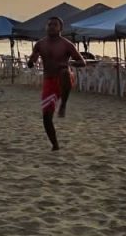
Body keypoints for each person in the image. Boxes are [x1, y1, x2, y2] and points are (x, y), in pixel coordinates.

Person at [27, 17, 86, 150]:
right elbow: (31, 63)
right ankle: (55, 145)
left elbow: (82, 62)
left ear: (61, 28)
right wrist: (31, 61)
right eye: (49, 24)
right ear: (46, 27)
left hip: (64, 79)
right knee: (46, 117)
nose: (52, 27)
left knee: (64, 71)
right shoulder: (40, 44)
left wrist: (68, 63)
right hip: (49, 80)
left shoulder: (67, 44)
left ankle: (63, 104)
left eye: (55, 25)